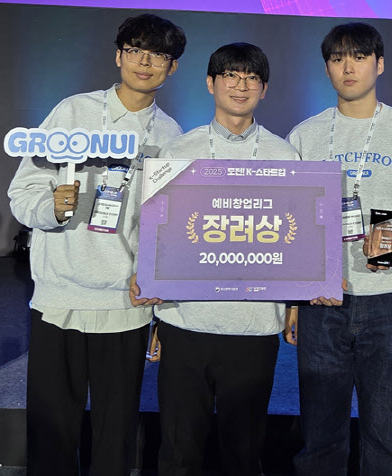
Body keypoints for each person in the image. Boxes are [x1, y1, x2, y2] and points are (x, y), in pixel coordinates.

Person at [7, 13, 186, 476]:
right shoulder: (73, 112)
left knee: (116, 433)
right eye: (135, 50)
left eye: (158, 55)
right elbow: (23, 192)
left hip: (125, 302)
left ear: (172, 67)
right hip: (60, 297)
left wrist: (160, 294)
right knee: (52, 431)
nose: (144, 62)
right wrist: (51, 208)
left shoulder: (171, 137)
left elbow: (167, 227)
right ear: (118, 56)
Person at [285, 23, 392, 475]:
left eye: (358, 57)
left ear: (379, 64)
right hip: (322, 301)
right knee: (320, 438)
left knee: (387, 440)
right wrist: (293, 298)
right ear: (326, 68)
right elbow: (287, 221)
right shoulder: (304, 136)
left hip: (390, 302)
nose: (348, 67)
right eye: (338, 58)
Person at [130, 42, 299, 476]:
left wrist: (295, 301)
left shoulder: (285, 156)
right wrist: (156, 316)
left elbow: (296, 241)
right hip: (185, 323)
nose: (241, 86)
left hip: (255, 325)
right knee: (178, 454)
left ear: (264, 89)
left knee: (243, 455)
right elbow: (158, 237)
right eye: (230, 76)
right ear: (210, 83)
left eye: (252, 78)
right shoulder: (177, 153)